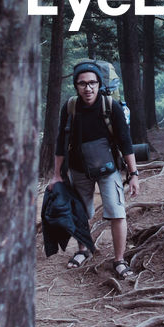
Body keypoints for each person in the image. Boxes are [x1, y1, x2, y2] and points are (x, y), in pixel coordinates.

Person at [50, 61, 140, 278]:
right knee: (81, 212)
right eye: (82, 83)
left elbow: (125, 142)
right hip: (79, 169)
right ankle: (83, 250)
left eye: (92, 83)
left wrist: (134, 173)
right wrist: (56, 175)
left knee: (117, 213)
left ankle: (119, 260)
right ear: (76, 85)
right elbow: (61, 141)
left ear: (99, 84)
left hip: (108, 170)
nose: (87, 88)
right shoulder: (70, 107)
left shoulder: (111, 106)